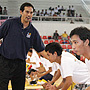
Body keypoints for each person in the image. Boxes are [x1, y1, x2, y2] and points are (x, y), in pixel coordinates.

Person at [0, 2, 49, 90]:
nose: (29, 15)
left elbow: (41, 49)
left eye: (31, 13)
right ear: (21, 12)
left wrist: (54, 59)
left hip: (20, 64)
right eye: (27, 12)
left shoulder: (33, 31)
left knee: (19, 88)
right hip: (5, 62)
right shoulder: (10, 23)